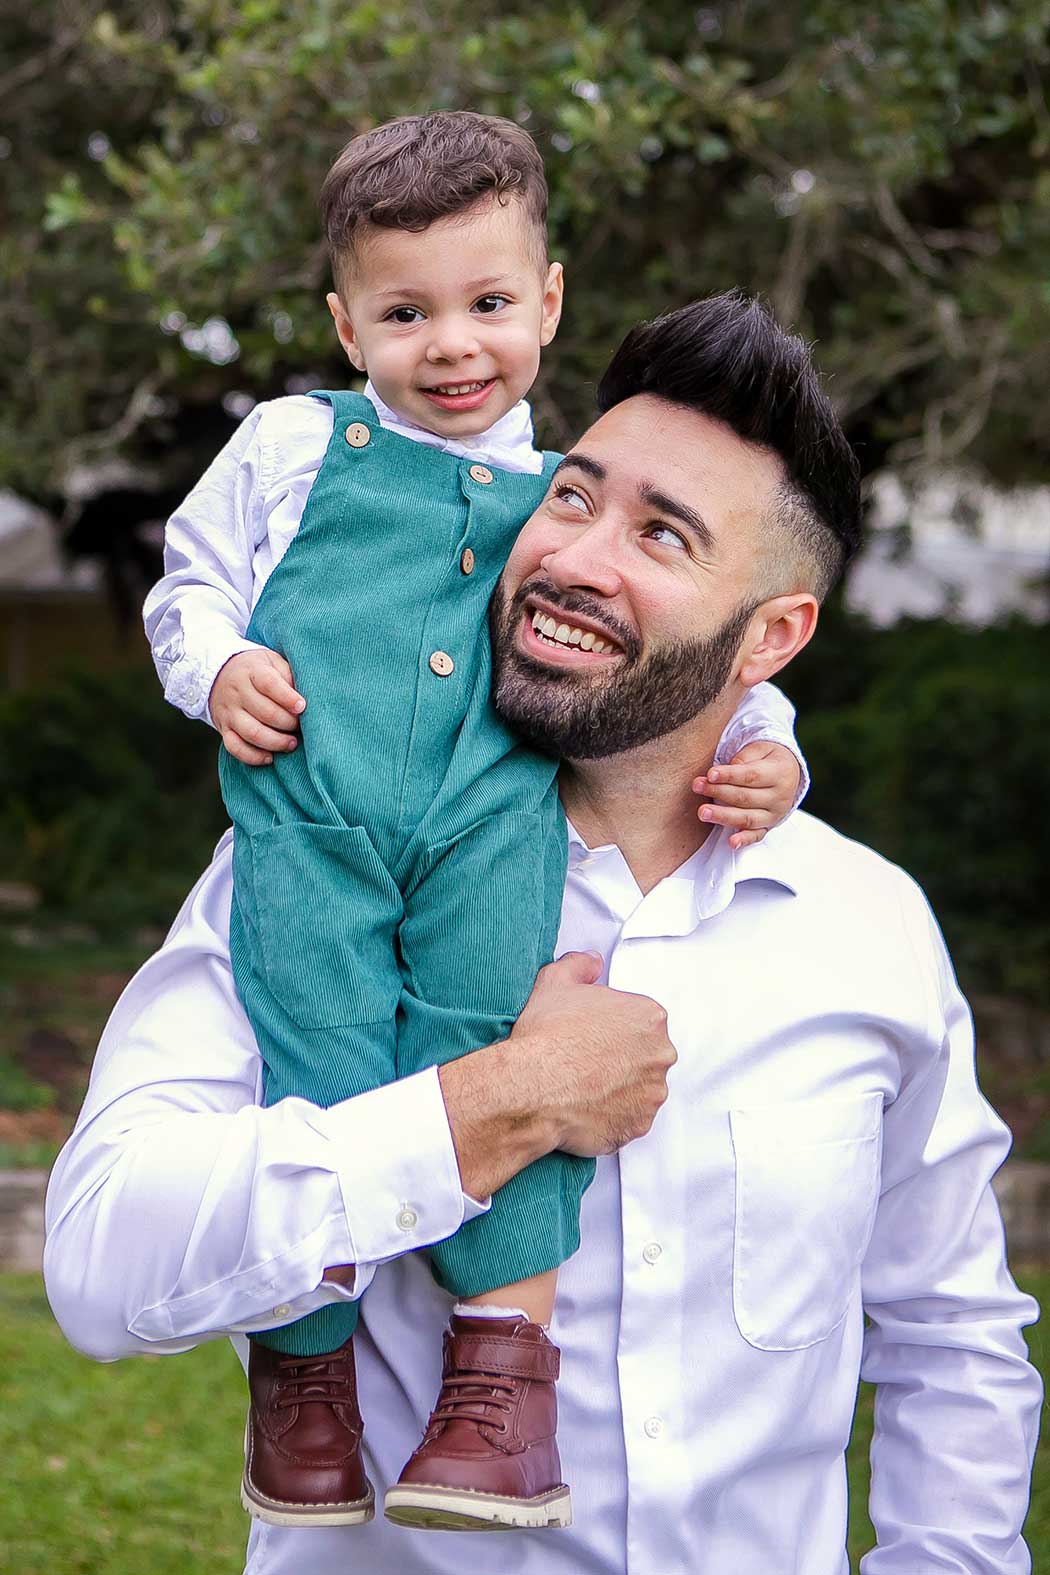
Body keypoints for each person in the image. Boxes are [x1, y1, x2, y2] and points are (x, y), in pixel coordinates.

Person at [46, 292, 1041, 1575]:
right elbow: (98, 1267)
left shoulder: (867, 925)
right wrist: (491, 1107)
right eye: (572, 498)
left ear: (773, 638)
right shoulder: (312, 871)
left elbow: (950, 1340)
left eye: (663, 536)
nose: (576, 556)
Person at [141, 112, 806, 1530]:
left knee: (495, 1056)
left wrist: (773, 748)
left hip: (490, 823)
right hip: (308, 822)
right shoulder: (292, 443)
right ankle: (302, 1375)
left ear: (548, 300)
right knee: (311, 1045)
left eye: (488, 303)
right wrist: (220, 668)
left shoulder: (569, 489)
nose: (453, 343)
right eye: (406, 311)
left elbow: (694, 647)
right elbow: (188, 584)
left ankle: (498, 1380)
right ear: (345, 321)